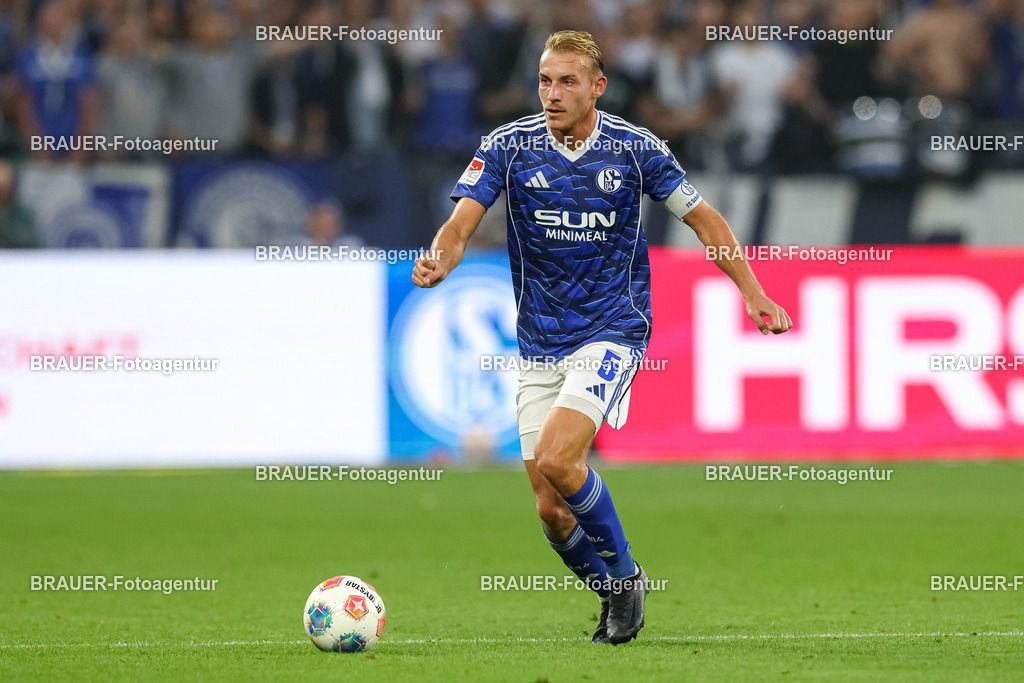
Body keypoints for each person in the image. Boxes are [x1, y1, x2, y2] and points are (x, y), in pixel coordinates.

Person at [412, 30, 791, 645]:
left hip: (613, 329)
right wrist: (440, 259)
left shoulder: (635, 149)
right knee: (550, 509)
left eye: (567, 81)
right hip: (540, 341)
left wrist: (752, 291)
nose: (552, 93)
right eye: (544, 81)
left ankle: (626, 578)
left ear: (597, 87)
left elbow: (704, 219)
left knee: (560, 458)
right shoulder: (508, 146)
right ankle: (613, 588)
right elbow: (460, 223)